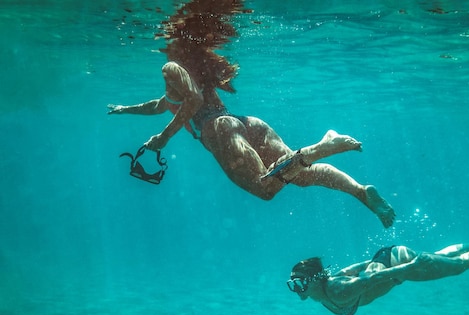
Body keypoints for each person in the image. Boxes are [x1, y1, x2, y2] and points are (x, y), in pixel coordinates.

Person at [107, 40, 395, 227]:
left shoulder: (172, 67)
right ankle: (360, 191)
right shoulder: (182, 80)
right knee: (301, 176)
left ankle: (322, 146)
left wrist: (164, 138)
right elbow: (158, 105)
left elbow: (192, 100)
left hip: (219, 130)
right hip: (245, 123)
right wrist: (123, 109)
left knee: (266, 188)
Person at [286, 197, 469, 315]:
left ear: (313, 280)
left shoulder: (337, 291)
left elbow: (370, 278)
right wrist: (375, 262)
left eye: (298, 283)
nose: (296, 289)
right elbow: (359, 267)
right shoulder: (328, 286)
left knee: (458, 266)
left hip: (398, 265)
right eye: (293, 285)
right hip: (391, 258)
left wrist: (410, 266)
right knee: (441, 257)